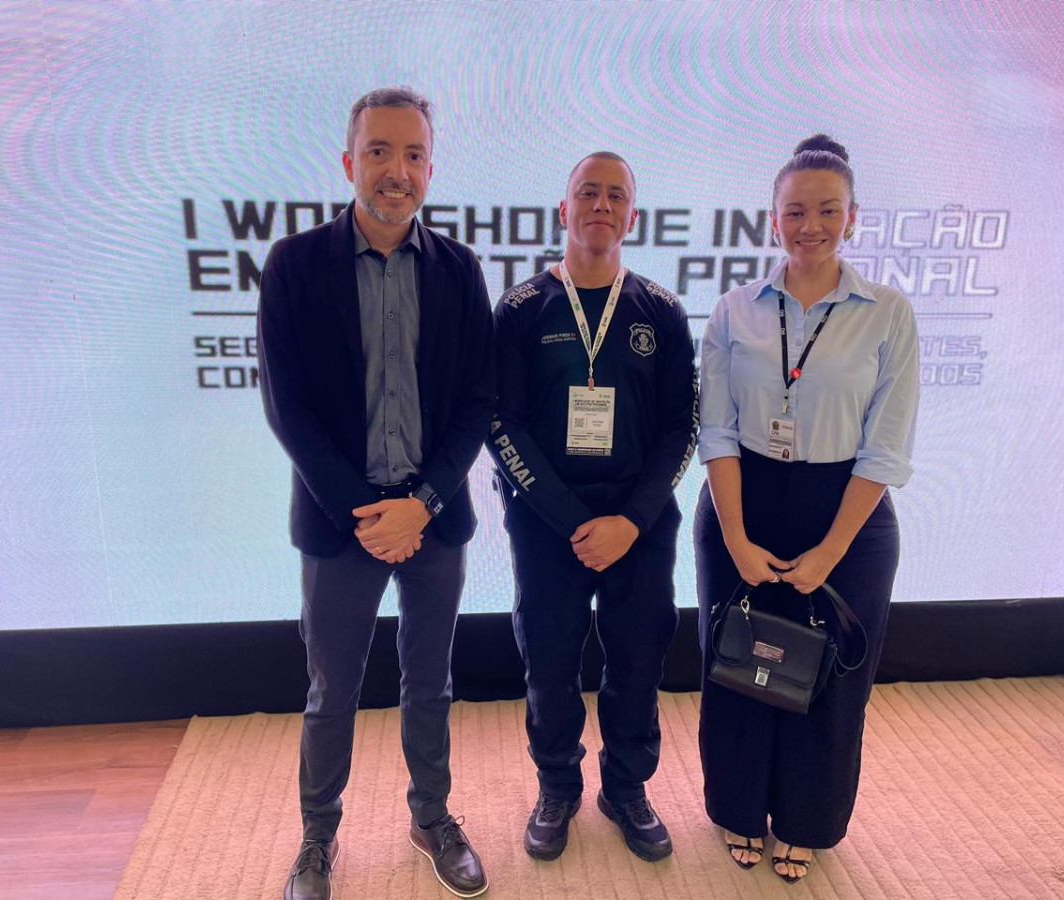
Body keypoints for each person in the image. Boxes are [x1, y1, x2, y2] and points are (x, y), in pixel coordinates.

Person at [257, 87, 495, 900]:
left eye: (414, 154)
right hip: (340, 524)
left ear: (431, 167)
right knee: (332, 691)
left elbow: (477, 403)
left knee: (431, 682)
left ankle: (432, 816)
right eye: (381, 152)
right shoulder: (294, 265)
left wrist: (421, 504)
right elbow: (287, 407)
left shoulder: (460, 270)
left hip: (434, 521)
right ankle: (317, 837)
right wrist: (367, 515)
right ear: (349, 161)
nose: (398, 170)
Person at [694, 134, 919, 884]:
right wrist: (735, 536)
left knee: (830, 680)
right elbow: (717, 431)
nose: (810, 225)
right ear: (773, 220)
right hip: (742, 502)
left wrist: (829, 552)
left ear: (852, 217)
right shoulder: (735, 310)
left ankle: (806, 821)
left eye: (827, 210)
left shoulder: (887, 314)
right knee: (739, 665)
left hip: (846, 515)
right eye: (795, 211)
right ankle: (737, 809)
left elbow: (885, 448)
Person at [489, 152, 698, 863]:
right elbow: (502, 423)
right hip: (548, 520)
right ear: (564, 209)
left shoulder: (661, 311)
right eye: (588, 193)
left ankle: (627, 788)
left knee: (638, 658)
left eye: (615, 196)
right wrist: (574, 521)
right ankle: (557, 786)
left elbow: (681, 427)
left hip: (639, 522)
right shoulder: (521, 309)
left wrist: (631, 521)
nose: (601, 205)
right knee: (549, 660)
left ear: (632, 216)